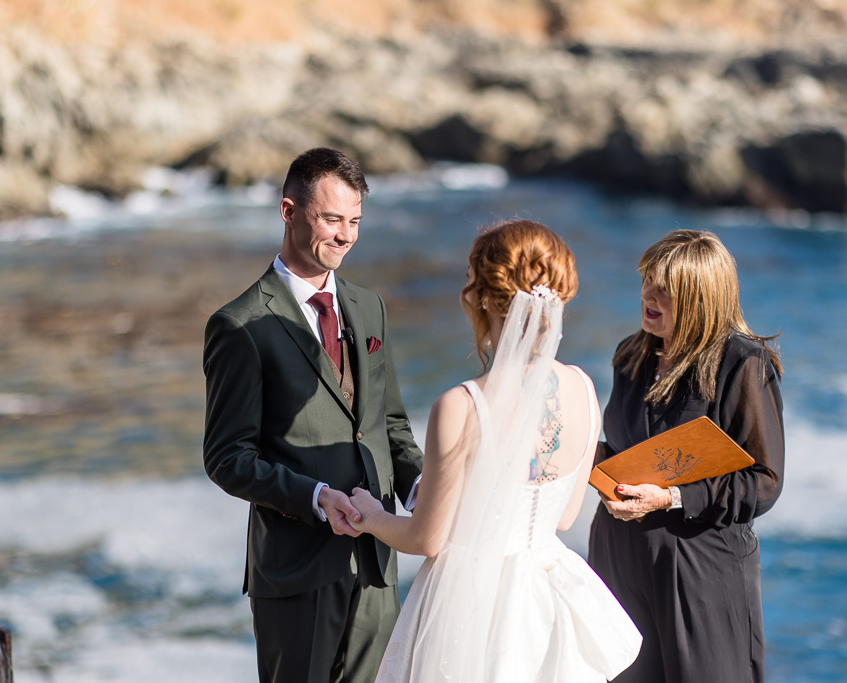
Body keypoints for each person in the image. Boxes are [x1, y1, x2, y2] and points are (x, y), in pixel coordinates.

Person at [347, 219, 642, 682]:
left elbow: (426, 540)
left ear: (484, 298)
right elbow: (564, 517)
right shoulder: (584, 390)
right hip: (545, 601)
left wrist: (368, 514)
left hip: (466, 609)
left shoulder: (461, 406)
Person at [202, 147, 424, 683]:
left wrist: (420, 491)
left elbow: (389, 424)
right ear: (288, 211)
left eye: (354, 222)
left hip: (377, 564)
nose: (345, 236)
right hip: (296, 572)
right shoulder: (240, 325)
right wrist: (316, 497)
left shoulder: (369, 306)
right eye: (331, 219)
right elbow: (228, 458)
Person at [588, 228, 785, 683]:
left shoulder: (743, 363)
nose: (648, 296)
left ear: (701, 298)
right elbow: (622, 450)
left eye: (665, 290)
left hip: (701, 565)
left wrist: (671, 498)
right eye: (646, 281)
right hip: (618, 554)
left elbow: (765, 482)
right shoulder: (630, 355)